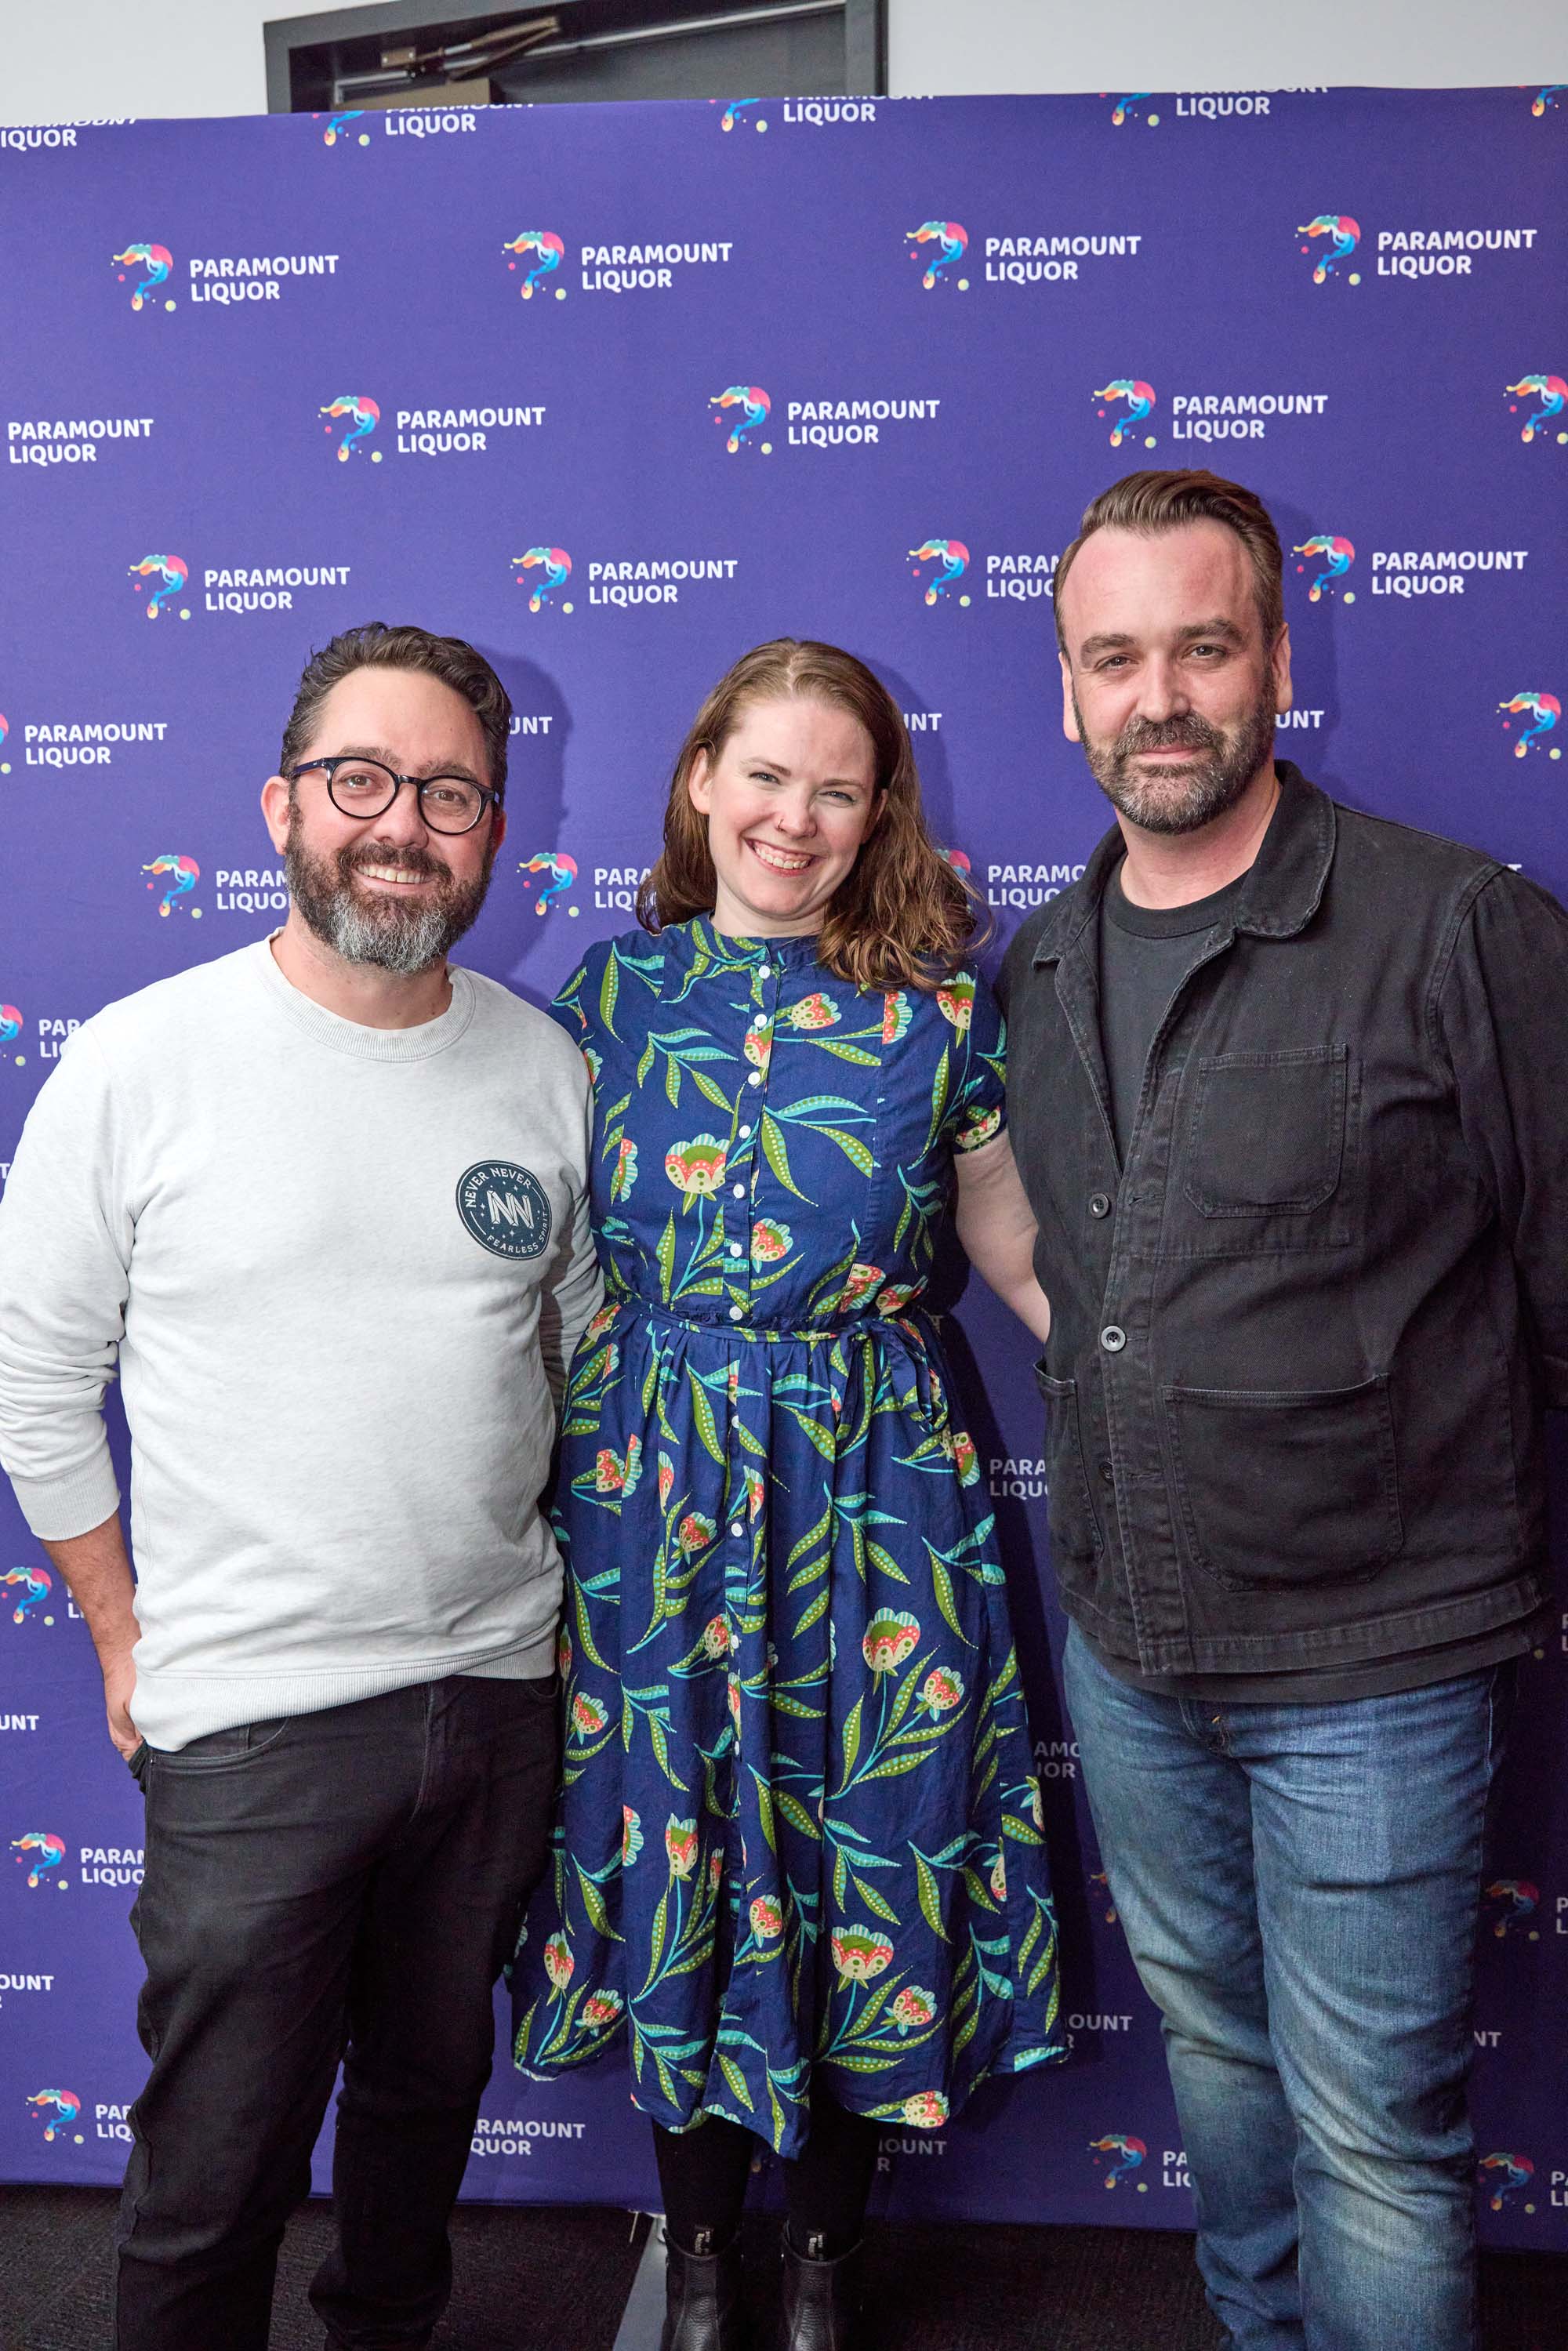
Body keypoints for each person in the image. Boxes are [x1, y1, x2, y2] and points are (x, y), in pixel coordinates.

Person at [1000, 469, 1568, 2351]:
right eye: (1114, 658)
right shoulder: (1047, 962)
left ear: (1274, 661)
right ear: (1067, 690)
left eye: (1200, 647)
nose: (1157, 696)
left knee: (1374, 2142)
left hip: (1378, 1666)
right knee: (1220, 2077)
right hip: (1135, 1655)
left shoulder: (1457, 927)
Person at [0, 624, 601, 2351]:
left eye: (448, 792)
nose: (399, 824)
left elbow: (578, 1361)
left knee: (420, 2125)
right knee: (216, 2171)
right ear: (281, 806)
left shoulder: (539, 1068)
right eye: (361, 780)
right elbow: (35, 1382)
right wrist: (123, 1635)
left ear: (498, 831)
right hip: (254, 1717)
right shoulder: (138, 1059)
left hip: (494, 1700)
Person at [510, 640, 1064, 2349]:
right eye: (766, 776)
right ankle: (691, 2258)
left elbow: (1019, 1260)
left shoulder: (938, 1010)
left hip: (876, 1493)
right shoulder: (606, 1001)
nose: (795, 817)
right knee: (678, 1841)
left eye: (838, 788)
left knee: (861, 1850)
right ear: (699, 781)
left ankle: (820, 2260)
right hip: (652, 1490)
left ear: (877, 808)